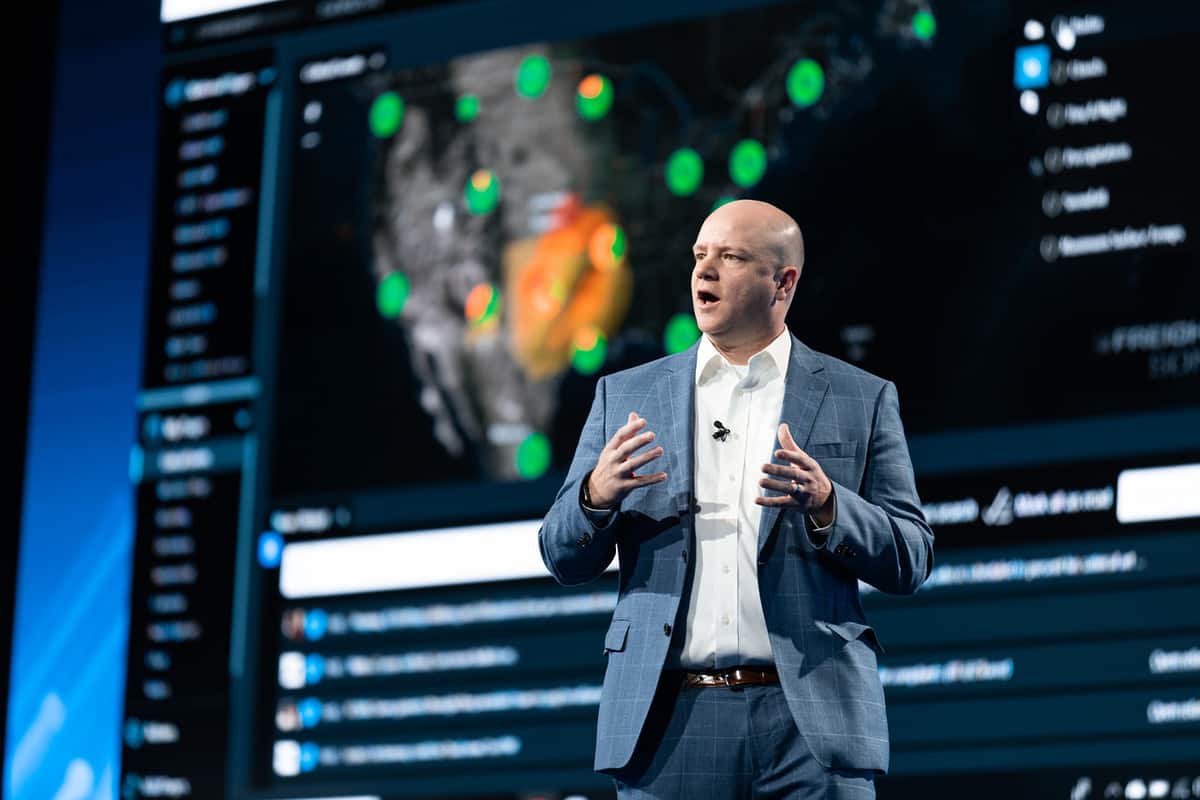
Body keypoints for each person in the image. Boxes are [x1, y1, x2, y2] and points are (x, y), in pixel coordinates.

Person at [538, 199, 934, 798]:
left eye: (731, 256)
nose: (705, 271)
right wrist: (596, 494)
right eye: (700, 256)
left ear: (783, 282)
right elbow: (561, 554)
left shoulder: (863, 397)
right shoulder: (626, 396)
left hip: (811, 726)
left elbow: (912, 555)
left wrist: (830, 505)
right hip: (667, 724)